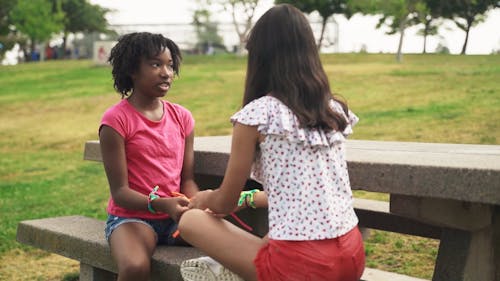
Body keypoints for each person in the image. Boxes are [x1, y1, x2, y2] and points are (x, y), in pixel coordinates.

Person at [177, 4, 365, 281]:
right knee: (280, 231)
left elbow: (223, 203)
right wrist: (250, 198)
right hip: (351, 255)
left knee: (191, 220)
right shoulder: (333, 110)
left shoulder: (257, 115)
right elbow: (302, 192)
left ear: (259, 56)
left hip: (302, 268)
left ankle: (234, 270)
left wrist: (205, 198)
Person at [99, 32, 198, 281]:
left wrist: (196, 204)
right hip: (132, 218)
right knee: (134, 268)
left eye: (170, 65)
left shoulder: (182, 117)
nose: (166, 73)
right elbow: (120, 192)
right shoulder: (116, 120)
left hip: (175, 218)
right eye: (155, 64)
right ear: (133, 70)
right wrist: (161, 204)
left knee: (225, 247)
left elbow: (187, 179)